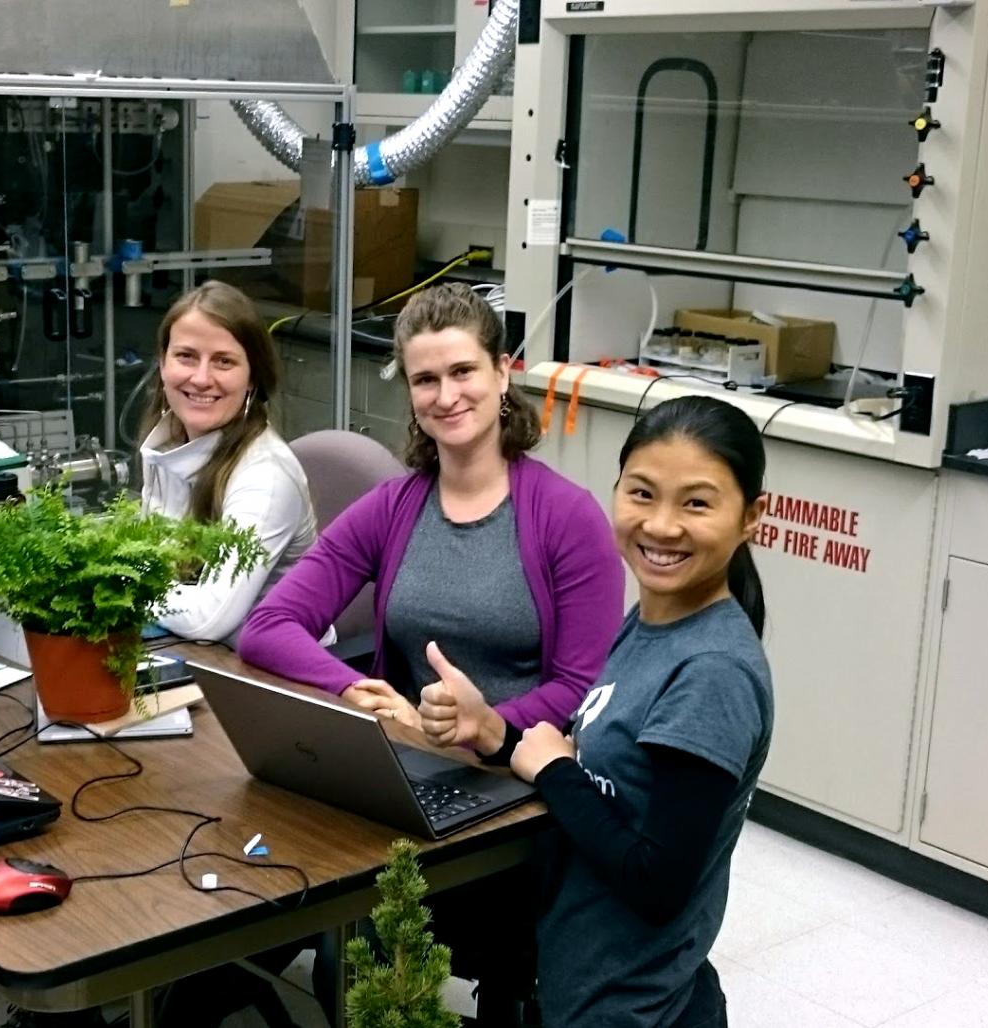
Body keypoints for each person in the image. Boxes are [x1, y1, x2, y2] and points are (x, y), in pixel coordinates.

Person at [421, 394, 775, 1027]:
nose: (662, 526)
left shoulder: (713, 673)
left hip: (631, 1004)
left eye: (696, 502)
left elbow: (658, 882)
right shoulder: (650, 621)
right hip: (582, 974)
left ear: (751, 517)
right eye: (641, 494)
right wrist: (495, 731)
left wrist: (556, 772)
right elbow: (609, 777)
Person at [238, 282, 623, 739]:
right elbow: (266, 627)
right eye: (426, 380)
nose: (445, 396)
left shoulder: (569, 518)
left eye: (463, 371)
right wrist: (351, 688)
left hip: (518, 770)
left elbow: (583, 686)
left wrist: (486, 727)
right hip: (410, 751)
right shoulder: (390, 508)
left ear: (501, 373)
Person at [138, 280, 317, 645]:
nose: (201, 378)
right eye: (186, 356)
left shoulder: (266, 477)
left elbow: (209, 618)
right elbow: (149, 564)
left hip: (270, 676)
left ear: (252, 377)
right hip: (190, 652)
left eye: (224, 361)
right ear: (162, 364)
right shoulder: (168, 446)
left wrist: (121, 589)